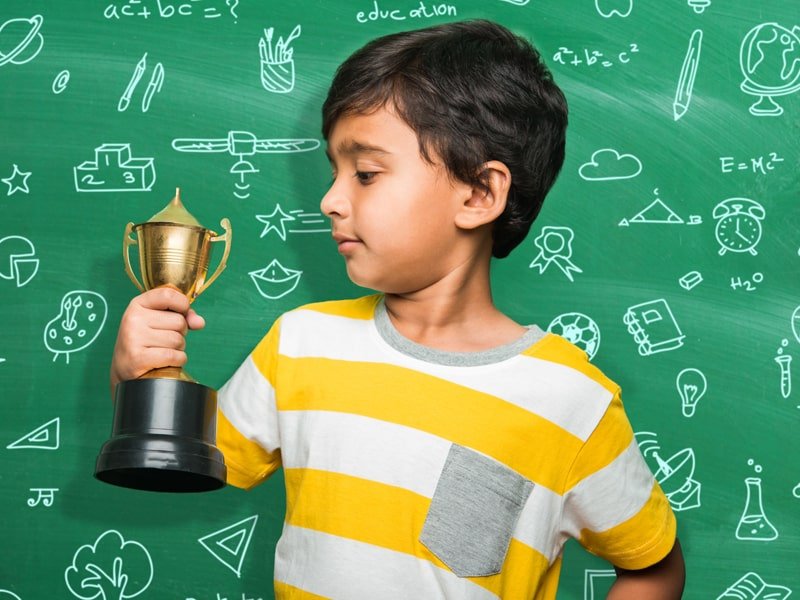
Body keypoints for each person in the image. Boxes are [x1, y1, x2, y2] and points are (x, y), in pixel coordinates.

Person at [110, 19, 685, 599]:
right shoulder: (301, 343)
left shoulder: (572, 399)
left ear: (479, 194)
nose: (331, 200)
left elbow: (654, 566)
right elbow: (182, 460)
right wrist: (138, 374)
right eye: (334, 173)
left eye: (365, 174)